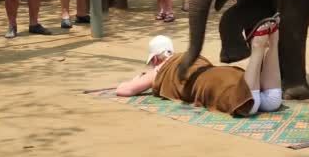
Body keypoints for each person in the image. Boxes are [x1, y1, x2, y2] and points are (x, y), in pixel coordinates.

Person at [115, 14, 282, 117]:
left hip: (212, 84)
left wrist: (138, 78)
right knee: (271, 101)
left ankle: (257, 47)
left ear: (156, 59)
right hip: (223, 74)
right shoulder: (190, 56)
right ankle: (273, 42)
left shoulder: (162, 68)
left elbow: (124, 90)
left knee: (249, 104)